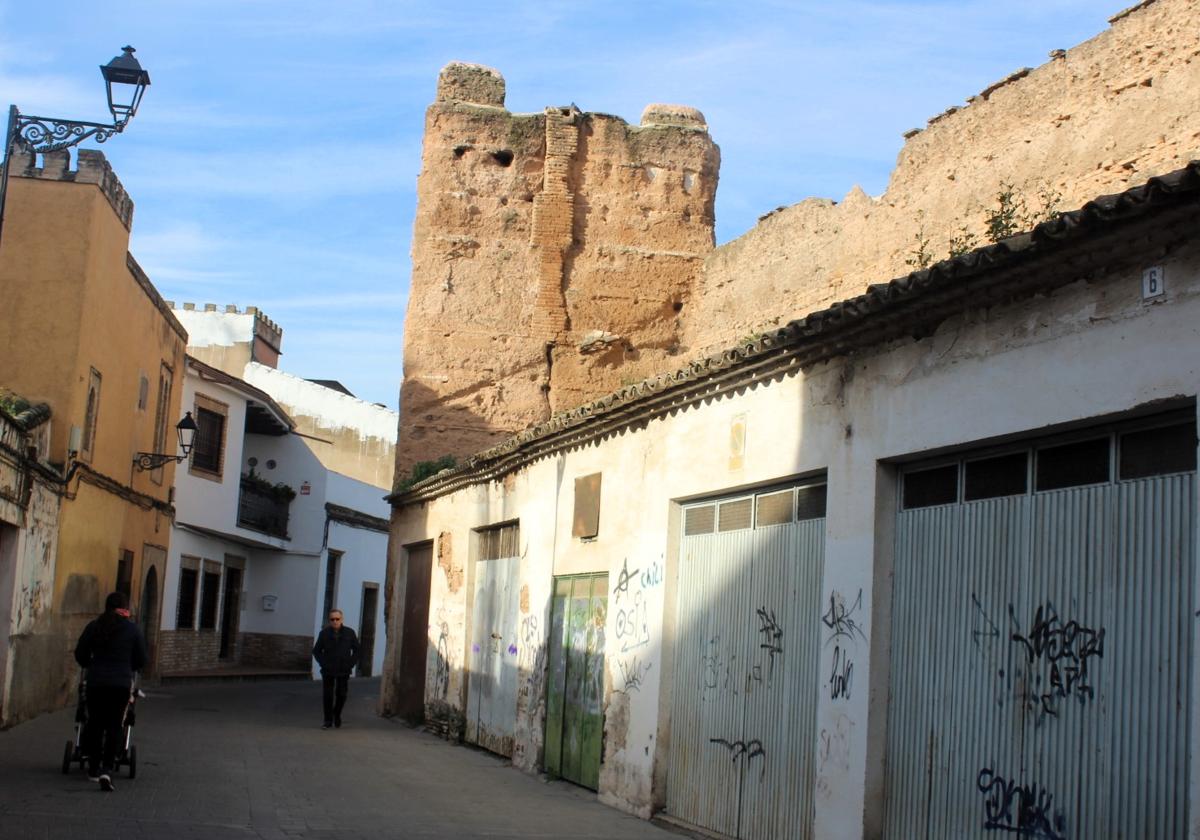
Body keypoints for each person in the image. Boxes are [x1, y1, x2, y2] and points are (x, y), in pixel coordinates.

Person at [73, 591, 147, 791]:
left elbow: (80, 653)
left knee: (95, 724)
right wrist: (128, 667)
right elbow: (141, 659)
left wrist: (91, 664)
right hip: (120, 685)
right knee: (115, 725)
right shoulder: (133, 630)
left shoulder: (94, 626)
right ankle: (107, 769)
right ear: (124, 608)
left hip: (96, 682)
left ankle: (93, 769)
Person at [312, 609, 359, 729]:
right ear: (329, 620)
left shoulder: (349, 633)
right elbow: (316, 651)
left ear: (341, 619)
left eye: (337, 619)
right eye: (332, 619)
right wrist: (323, 663)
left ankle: (336, 714)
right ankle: (327, 720)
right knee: (328, 695)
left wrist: (350, 664)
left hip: (343, 669)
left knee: (342, 694)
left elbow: (357, 650)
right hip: (328, 669)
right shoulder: (324, 633)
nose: (335, 621)